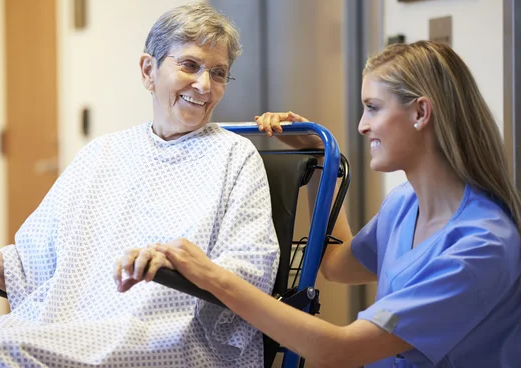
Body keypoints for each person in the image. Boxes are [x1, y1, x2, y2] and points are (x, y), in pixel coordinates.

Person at [0, 2, 280, 367]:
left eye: (218, 73)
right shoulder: (103, 153)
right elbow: (30, 266)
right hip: (68, 328)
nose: (204, 85)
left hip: (171, 338)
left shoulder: (235, 156)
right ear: (148, 71)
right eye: (189, 65)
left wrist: (179, 265)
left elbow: (253, 270)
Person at [148, 41, 521, 367]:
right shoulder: (405, 205)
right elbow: (337, 265)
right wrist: (319, 161)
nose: (361, 125)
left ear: (420, 113)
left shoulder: (481, 247)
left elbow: (339, 351)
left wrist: (212, 278)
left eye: (373, 108)